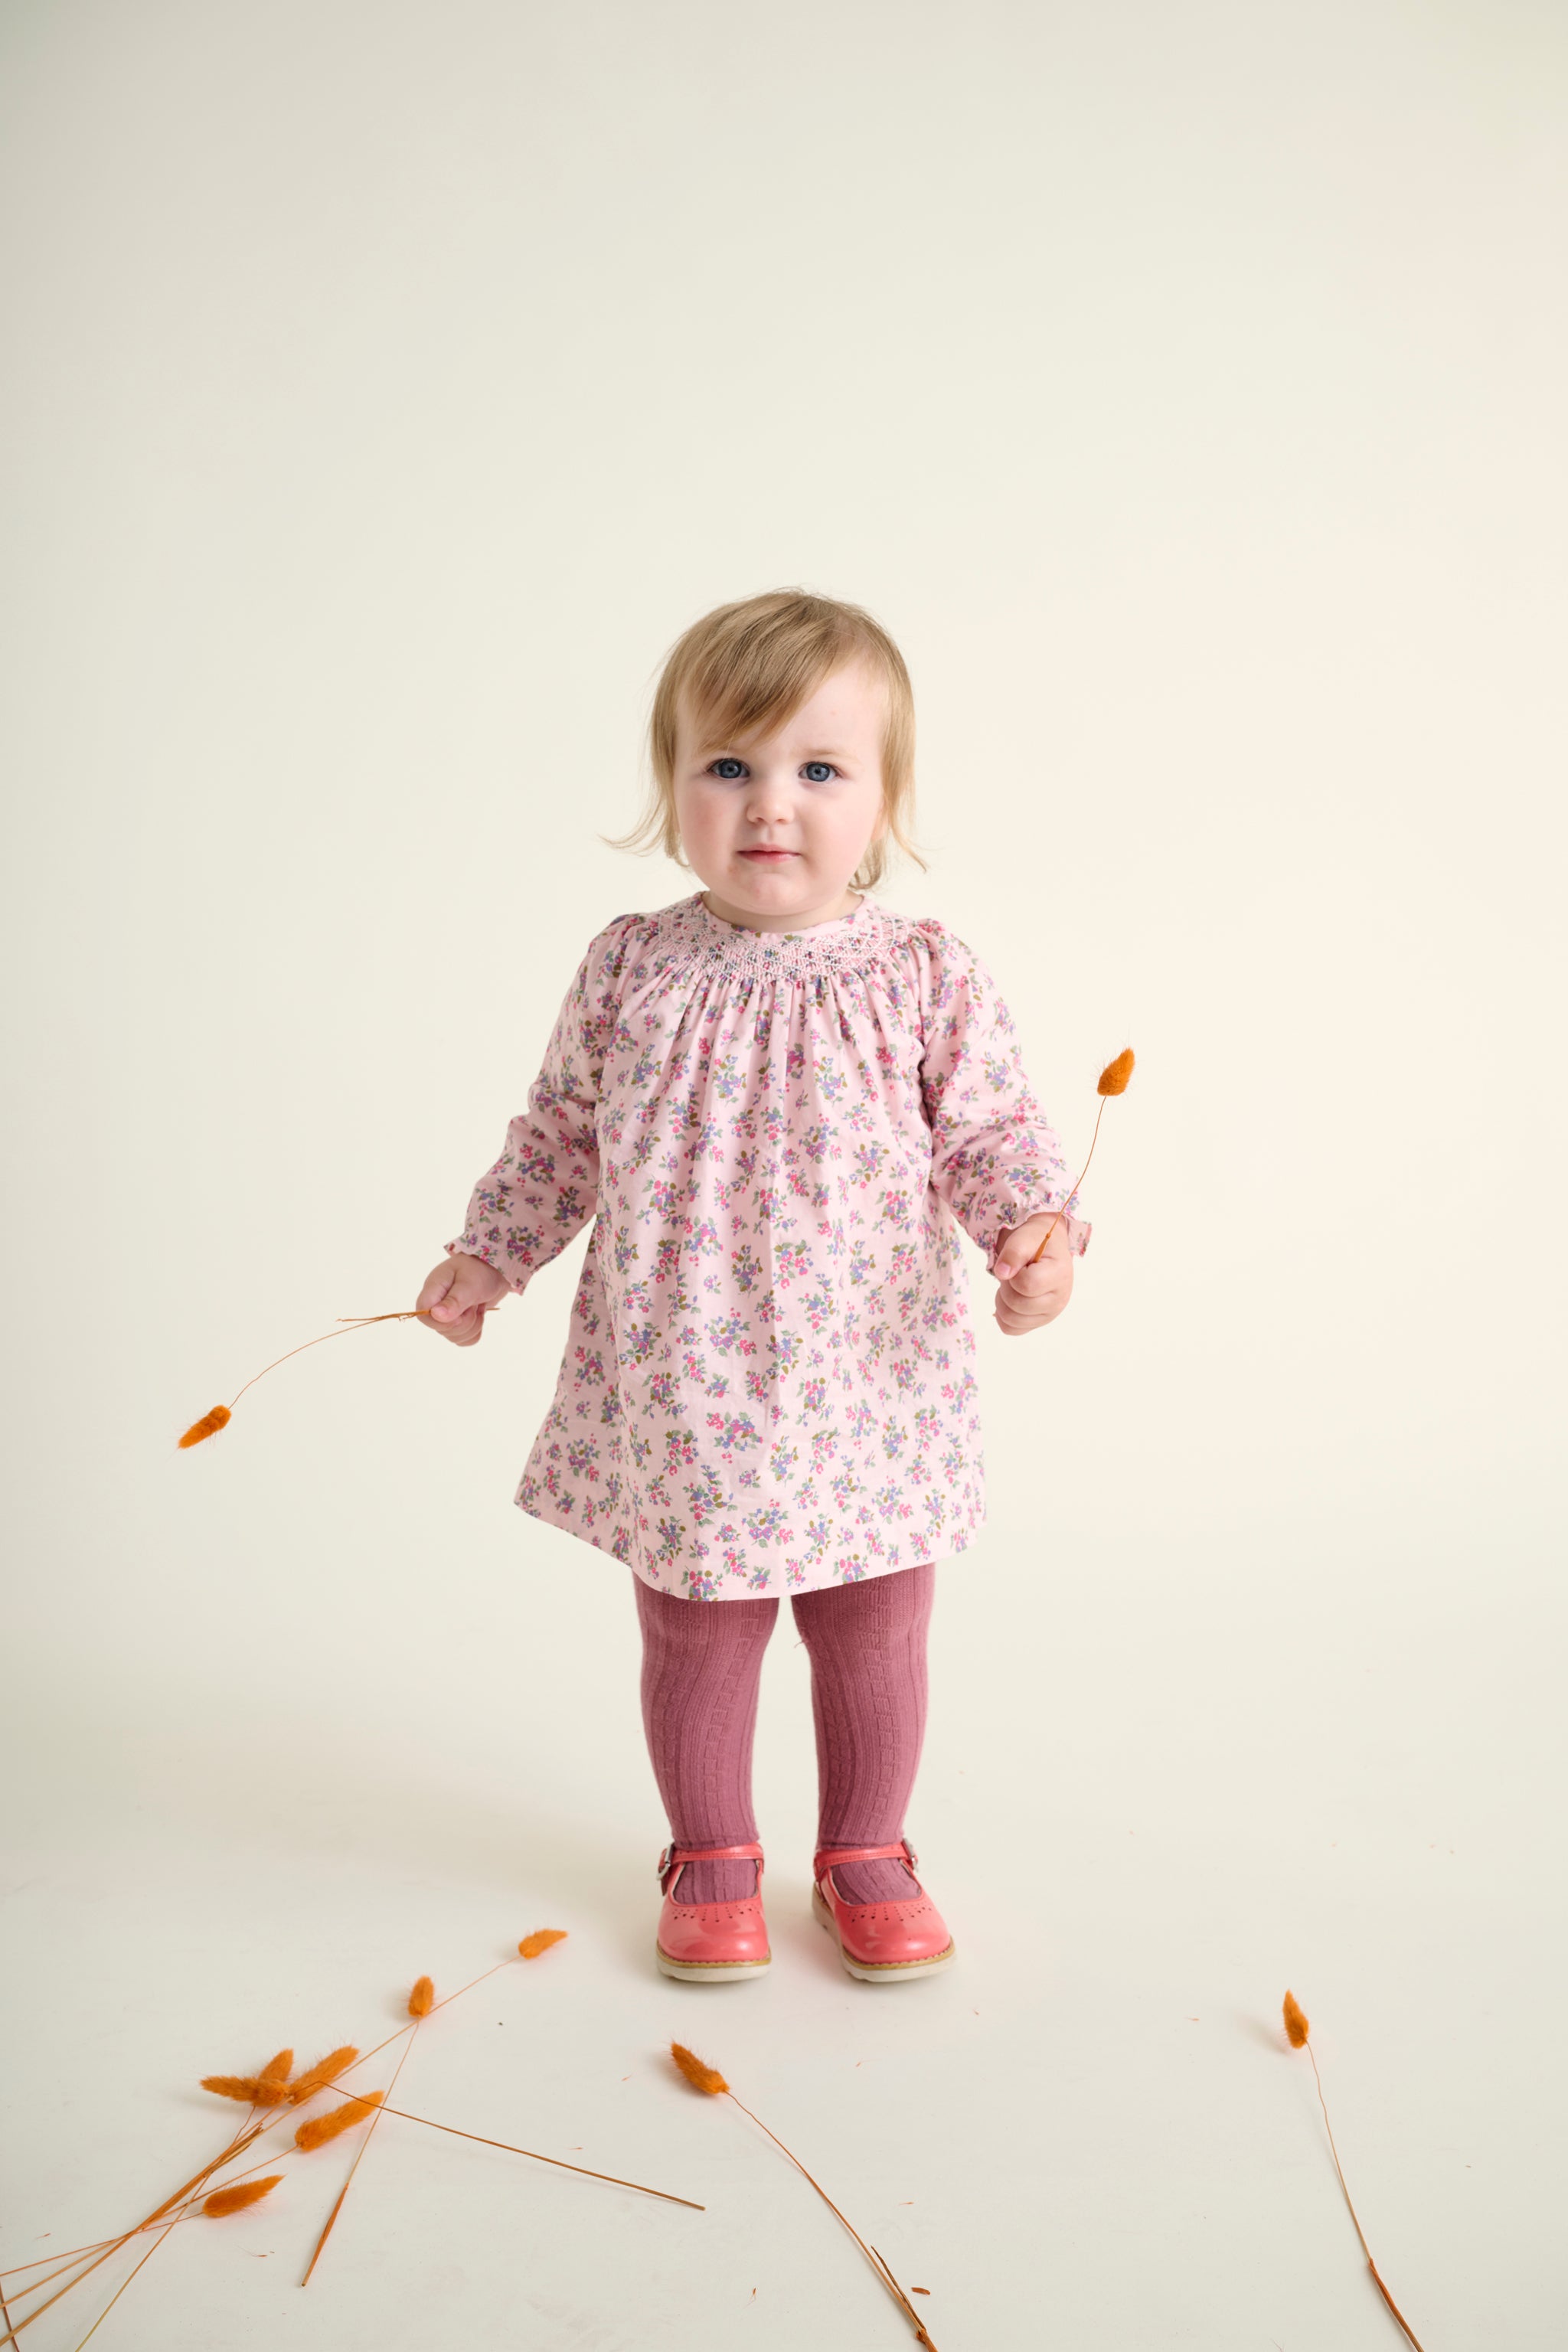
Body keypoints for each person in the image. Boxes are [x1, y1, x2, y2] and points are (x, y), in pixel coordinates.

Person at [415, 588, 1089, 1985]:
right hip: (692, 1375)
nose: (771, 804)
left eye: (820, 770)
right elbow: (559, 1134)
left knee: (875, 1621)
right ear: (673, 789)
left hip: (870, 1374)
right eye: (729, 766)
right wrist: (493, 1250)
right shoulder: (633, 967)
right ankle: (711, 1846)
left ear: (887, 799)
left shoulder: (922, 974)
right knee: (701, 1624)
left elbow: (992, 1133)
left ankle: (867, 1847)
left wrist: (1033, 1232)